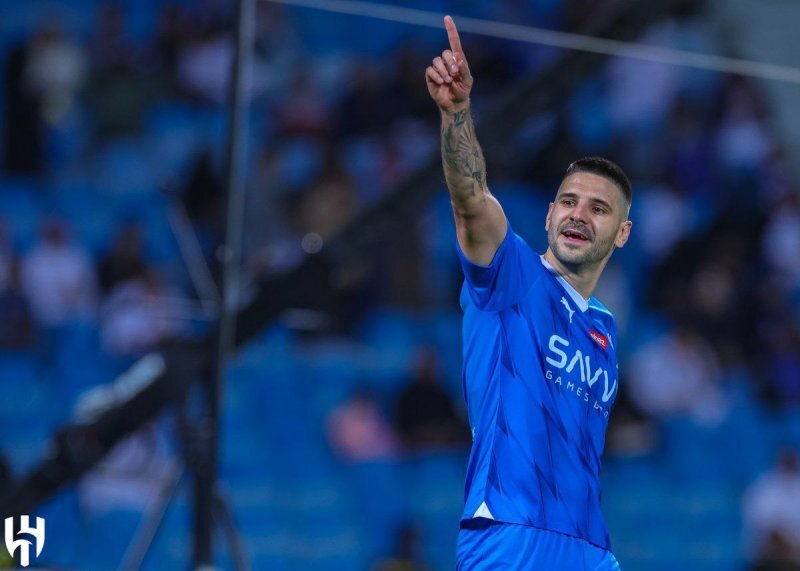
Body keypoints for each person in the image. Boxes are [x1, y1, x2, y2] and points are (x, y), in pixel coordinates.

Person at [426, 16, 632, 569]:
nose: (578, 215)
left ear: (622, 233)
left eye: (598, 208)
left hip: (590, 547)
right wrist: (456, 113)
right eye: (568, 201)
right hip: (512, 533)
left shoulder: (605, 327)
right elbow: (471, 199)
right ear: (548, 215)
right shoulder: (513, 275)